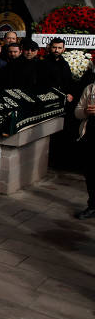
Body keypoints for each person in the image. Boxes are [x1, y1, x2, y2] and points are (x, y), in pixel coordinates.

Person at [74, 80, 95, 219]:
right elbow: (77, 111)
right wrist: (85, 111)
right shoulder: (90, 88)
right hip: (91, 135)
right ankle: (93, 206)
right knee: (91, 172)